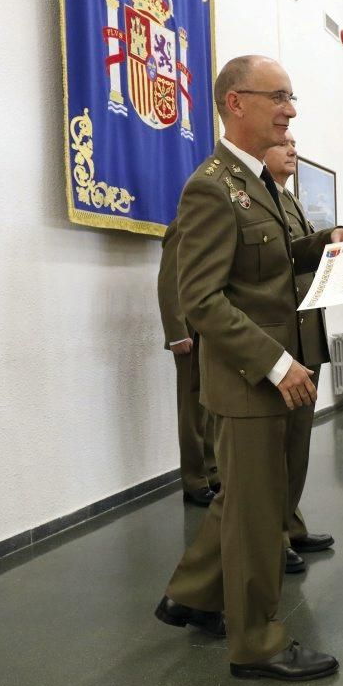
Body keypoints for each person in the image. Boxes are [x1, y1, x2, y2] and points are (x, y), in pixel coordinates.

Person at [154, 55, 343, 681]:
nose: (290, 110)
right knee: (253, 517)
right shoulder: (211, 187)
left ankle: (193, 596)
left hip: (269, 372)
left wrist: (323, 243)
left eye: (291, 97)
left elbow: (263, 268)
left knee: (252, 505)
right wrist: (275, 363)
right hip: (249, 381)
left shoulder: (257, 183)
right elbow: (202, 299)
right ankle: (257, 644)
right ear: (234, 103)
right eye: (278, 97)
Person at [264, 130, 335, 572]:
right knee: (275, 447)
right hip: (281, 341)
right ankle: (272, 537)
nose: (292, 148)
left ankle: (290, 524)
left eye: (295, 143)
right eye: (283, 142)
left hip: (306, 335)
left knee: (298, 442)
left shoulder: (289, 200)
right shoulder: (256, 195)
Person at [157, 217, 220, 506]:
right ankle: (194, 480)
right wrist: (176, 332)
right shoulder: (184, 225)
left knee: (213, 403)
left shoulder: (215, 226)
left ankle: (213, 471)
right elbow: (169, 281)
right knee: (193, 407)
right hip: (191, 332)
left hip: (214, 327)